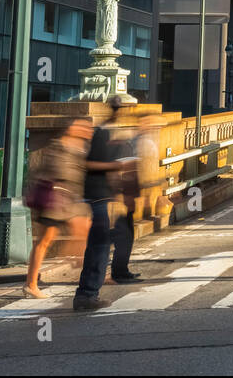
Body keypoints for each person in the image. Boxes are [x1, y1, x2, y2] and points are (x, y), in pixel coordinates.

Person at [73, 103, 138, 312]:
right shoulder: (102, 135)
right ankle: (87, 295)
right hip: (99, 198)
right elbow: (89, 164)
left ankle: (89, 293)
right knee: (99, 247)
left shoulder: (114, 136)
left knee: (100, 246)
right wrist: (117, 167)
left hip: (105, 198)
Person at [23, 119, 91, 298]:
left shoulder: (79, 146)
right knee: (45, 240)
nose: (85, 130)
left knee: (84, 230)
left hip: (67, 200)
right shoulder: (58, 146)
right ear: (70, 129)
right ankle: (31, 284)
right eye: (80, 127)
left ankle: (81, 263)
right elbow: (58, 171)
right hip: (56, 201)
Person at [109, 105, 146, 286]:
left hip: (126, 198)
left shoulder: (126, 145)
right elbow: (123, 174)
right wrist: (124, 198)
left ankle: (121, 270)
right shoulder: (121, 146)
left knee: (126, 236)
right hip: (122, 200)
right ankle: (118, 271)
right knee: (122, 237)